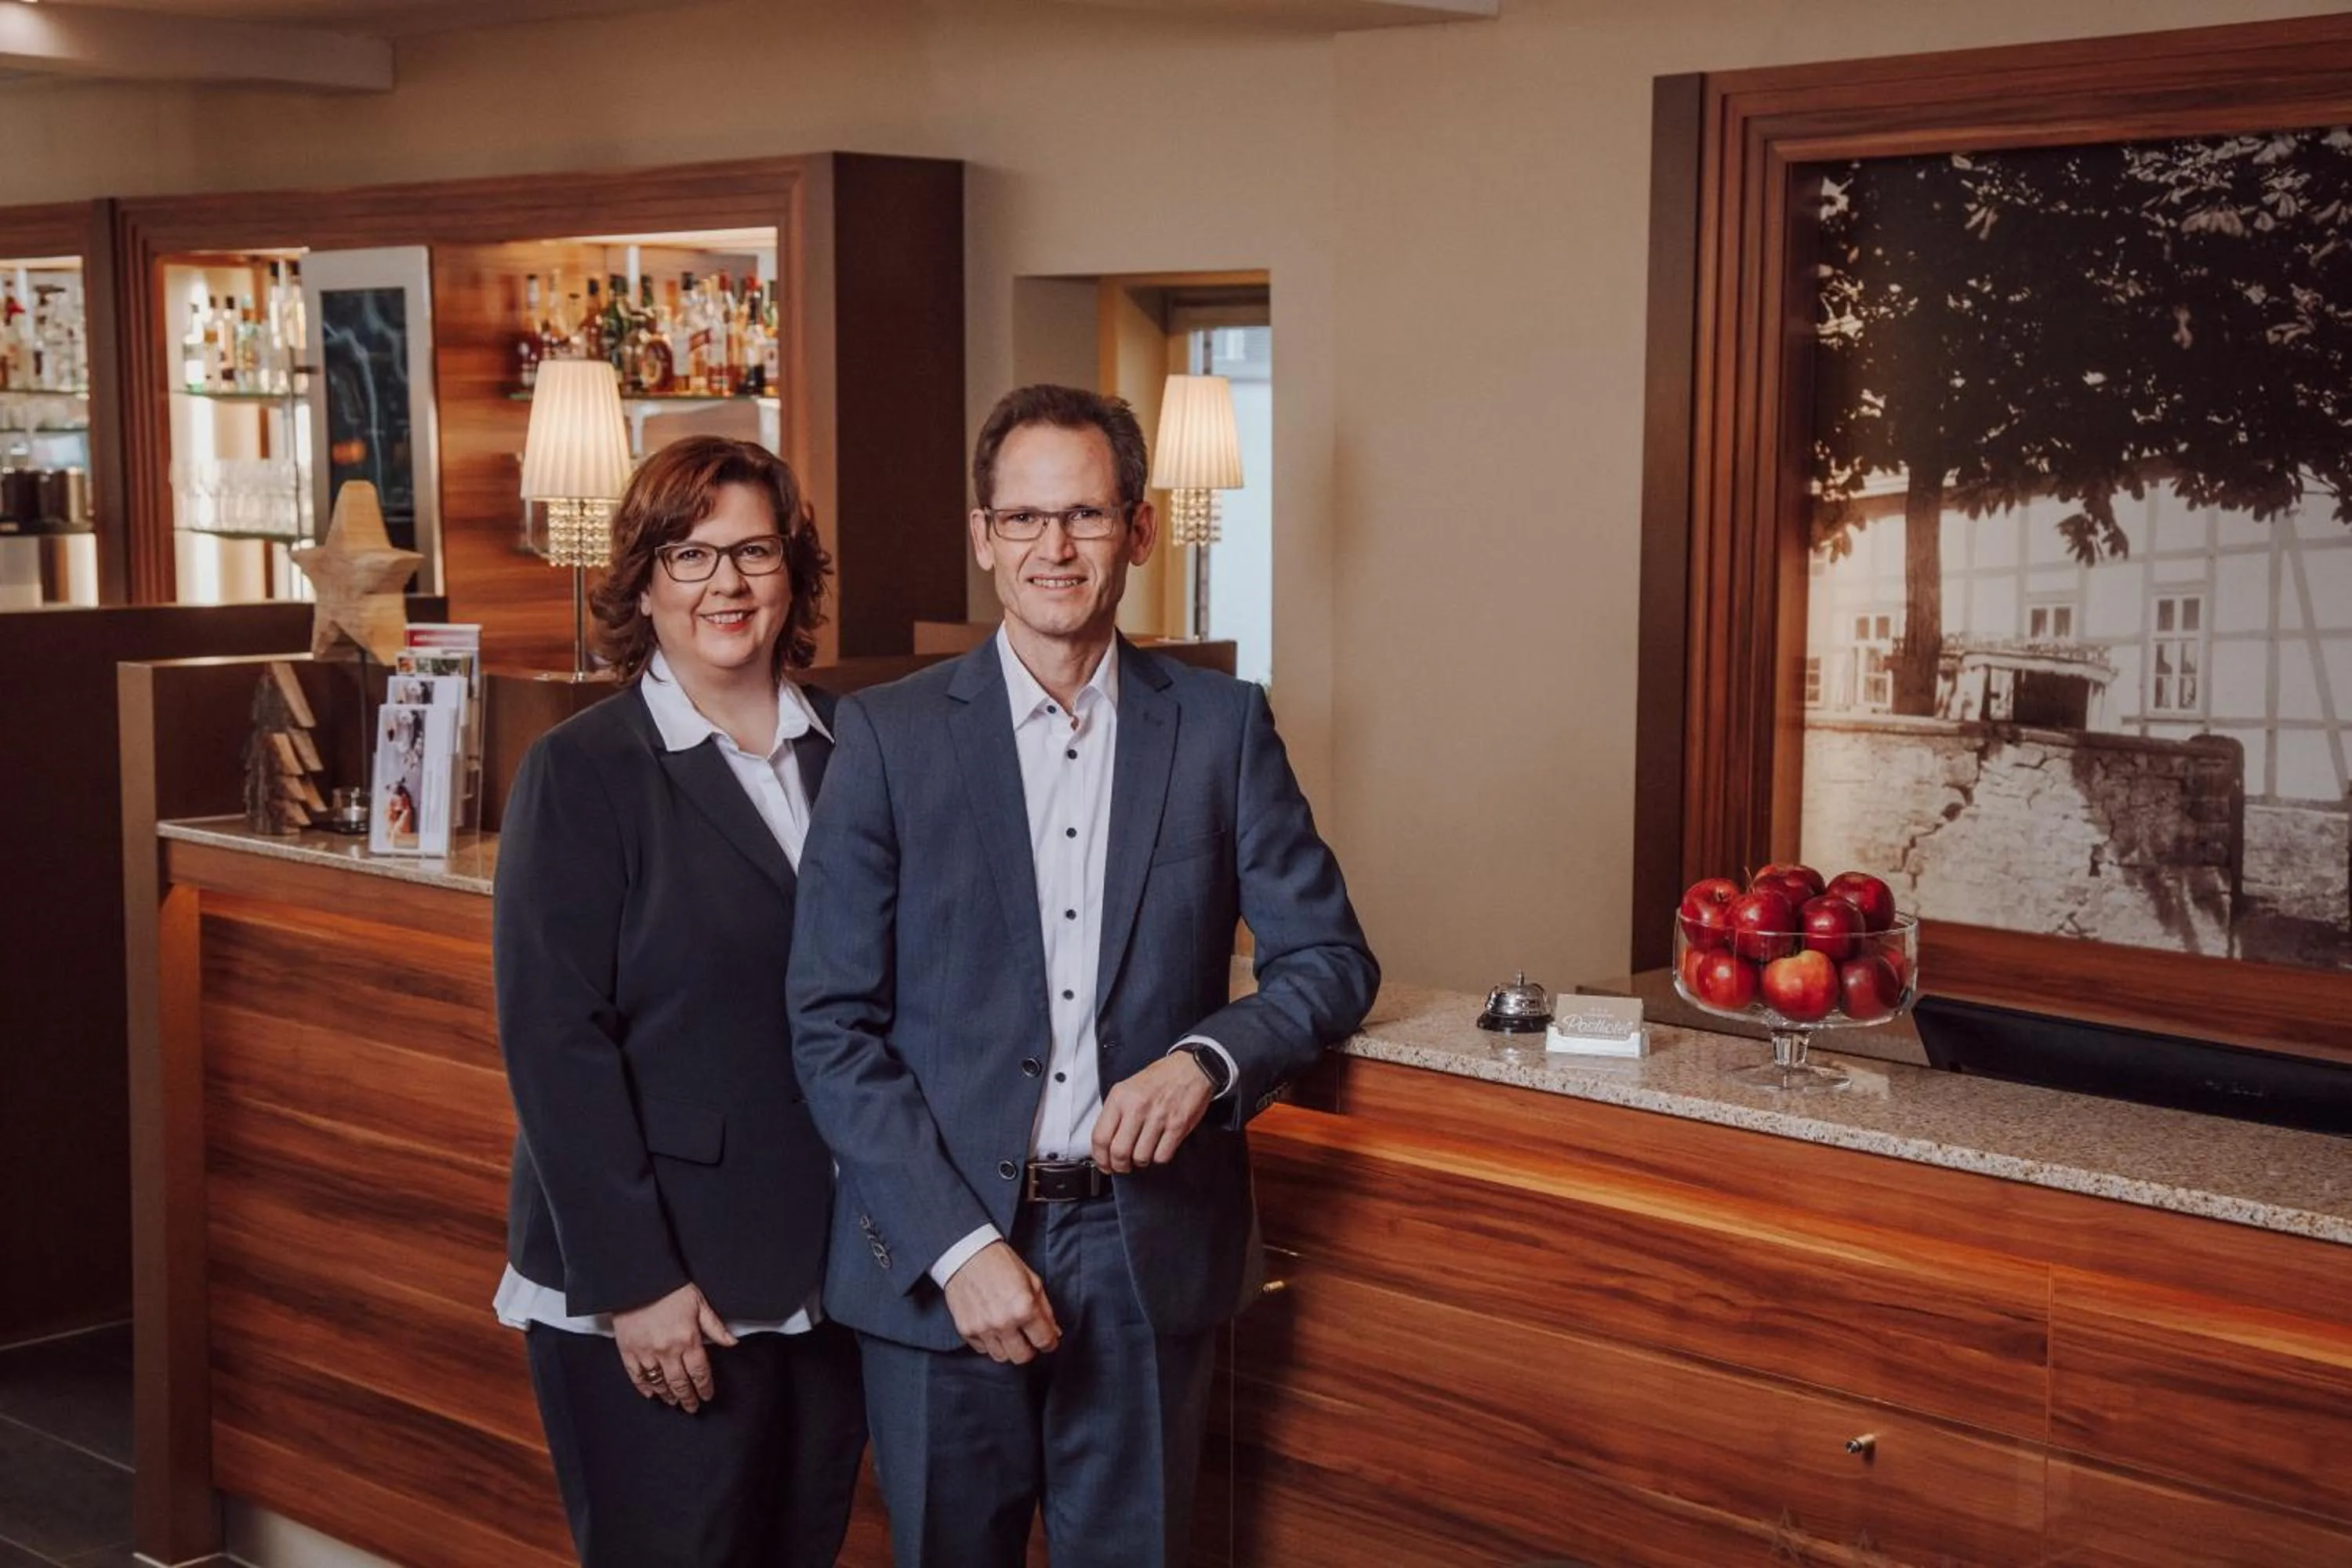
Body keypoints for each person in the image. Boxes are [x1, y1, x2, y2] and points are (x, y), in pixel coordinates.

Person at [789, 384, 1379, 1567]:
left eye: (1085, 515)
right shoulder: (889, 736)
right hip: (945, 1248)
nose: (1053, 547)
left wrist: (1207, 1063)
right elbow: (830, 1024)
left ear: (1139, 530)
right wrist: (958, 1248)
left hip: (1145, 1250)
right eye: (1023, 518)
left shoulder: (1220, 727)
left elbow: (1329, 959)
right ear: (982, 536)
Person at [492, 436, 865, 1567]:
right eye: (688, 555)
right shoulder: (582, 770)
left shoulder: (858, 748)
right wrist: (638, 1282)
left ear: (793, 570)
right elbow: (556, 1045)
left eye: (754, 550)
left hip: (832, 1278)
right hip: (667, 1286)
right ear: (643, 582)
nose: (726, 583)